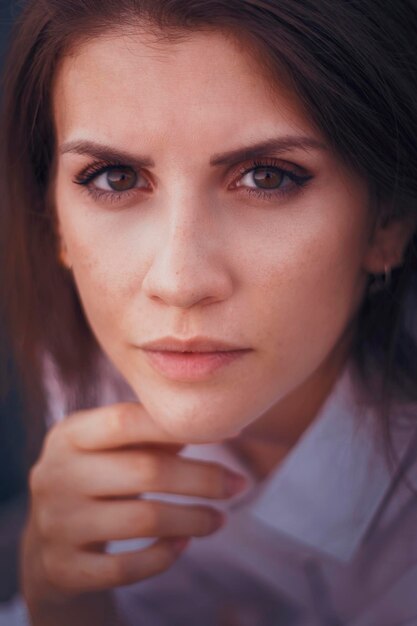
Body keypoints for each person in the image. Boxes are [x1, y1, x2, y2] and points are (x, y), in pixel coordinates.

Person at [0, 0, 417, 624]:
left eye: (268, 178)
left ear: (387, 219)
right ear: (54, 215)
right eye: (114, 178)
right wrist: (59, 598)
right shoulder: (85, 366)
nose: (178, 282)